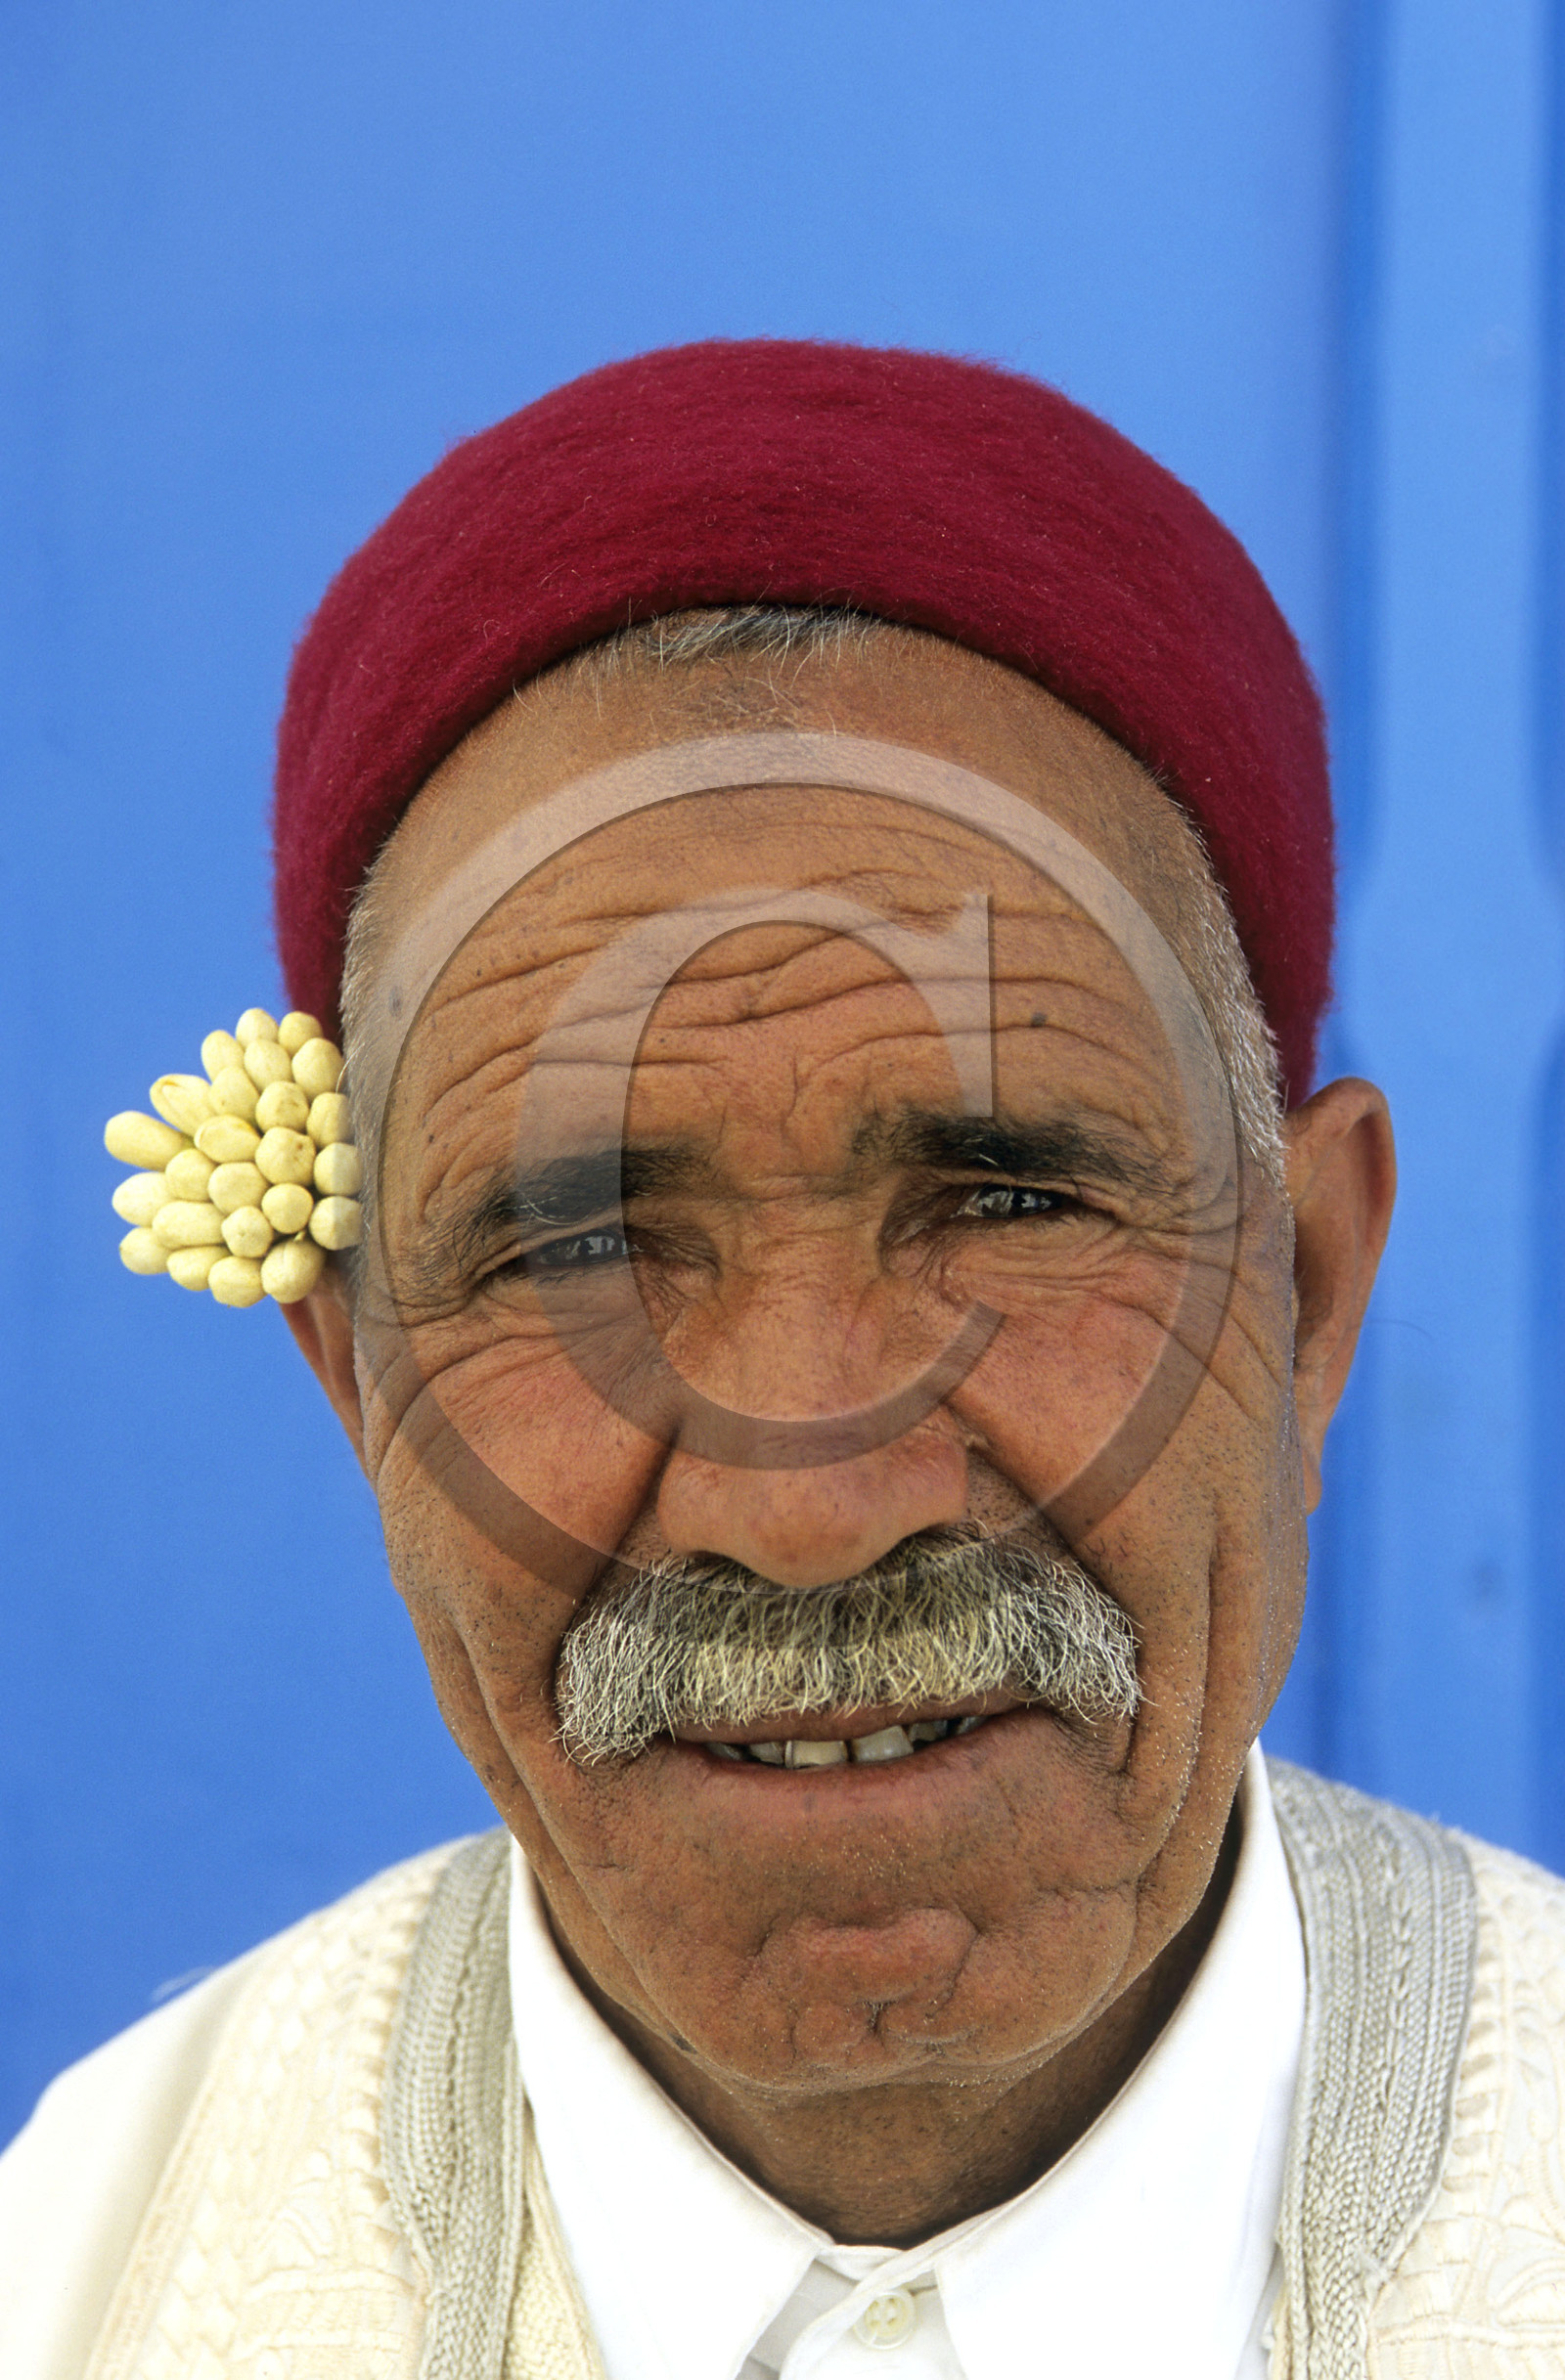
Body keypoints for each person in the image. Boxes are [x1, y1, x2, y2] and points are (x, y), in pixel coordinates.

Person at [4, 338, 1562, 2380]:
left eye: (1006, 1194)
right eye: (573, 1247)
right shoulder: (73, 2273)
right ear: (358, 1380)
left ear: (1304, 1291)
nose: (811, 1505)